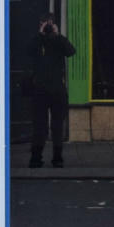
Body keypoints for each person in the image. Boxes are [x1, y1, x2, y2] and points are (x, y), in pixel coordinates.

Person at [28, 13, 76, 168]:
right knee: (39, 126)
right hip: (40, 89)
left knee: (57, 126)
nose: (47, 26)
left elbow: (71, 51)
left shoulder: (59, 41)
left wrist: (58, 35)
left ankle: (57, 158)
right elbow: (28, 51)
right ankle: (36, 158)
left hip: (57, 90)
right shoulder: (37, 41)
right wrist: (40, 34)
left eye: (50, 23)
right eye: (44, 23)